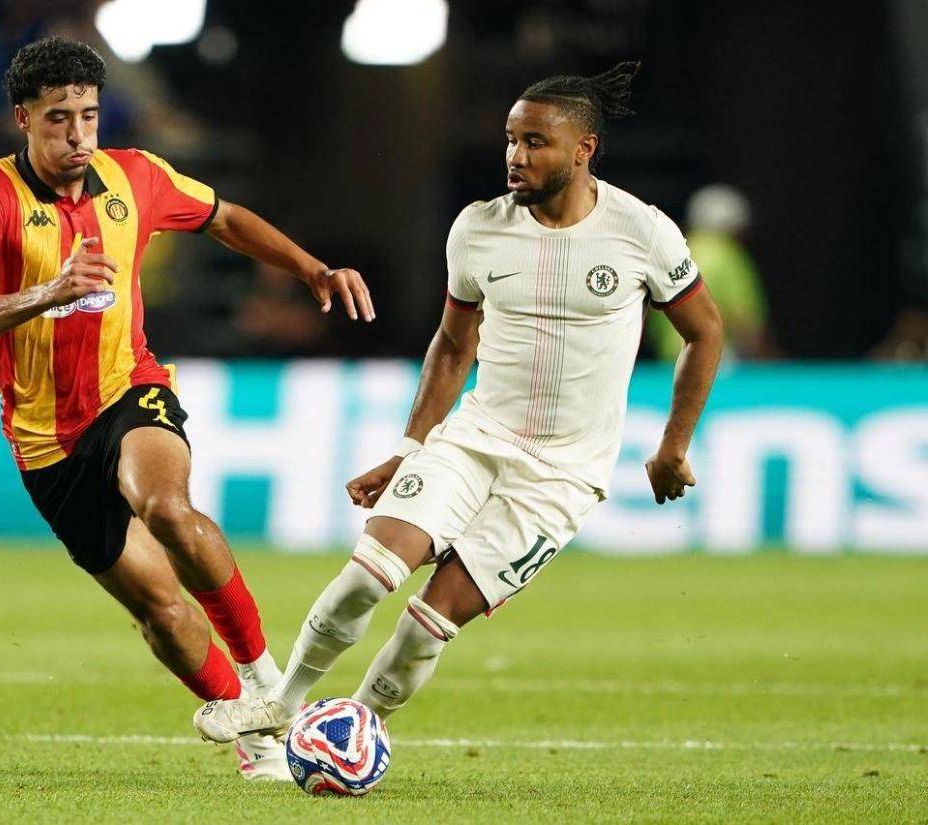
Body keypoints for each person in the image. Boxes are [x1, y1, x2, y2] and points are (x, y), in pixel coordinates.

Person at [192, 62, 724, 742]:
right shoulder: (477, 228)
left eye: (535, 142)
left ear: (584, 149)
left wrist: (673, 445)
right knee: (367, 575)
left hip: (561, 475)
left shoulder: (642, 231)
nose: (515, 156)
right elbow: (451, 346)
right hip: (473, 441)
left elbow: (705, 332)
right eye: (511, 140)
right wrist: (409, 449)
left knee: (428, 623)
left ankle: (354, 734)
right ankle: (279, 701)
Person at [0, 37, 373, 780]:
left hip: (129, 388)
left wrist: (309, 268)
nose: (78, 135)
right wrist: (53, 290)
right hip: (45, 440)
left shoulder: (135, 175)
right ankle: (258, 737)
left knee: (166, 506)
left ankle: (268, 680)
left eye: (88, 116)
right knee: (161, 611)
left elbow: (225, 217)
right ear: (23, 119)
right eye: (58, 119)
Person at [646, 183, 774, 361]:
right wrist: (768, 361)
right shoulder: (729, 254)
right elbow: (745, 323)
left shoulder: (675, 251)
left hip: (666, 361)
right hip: (714, 362)